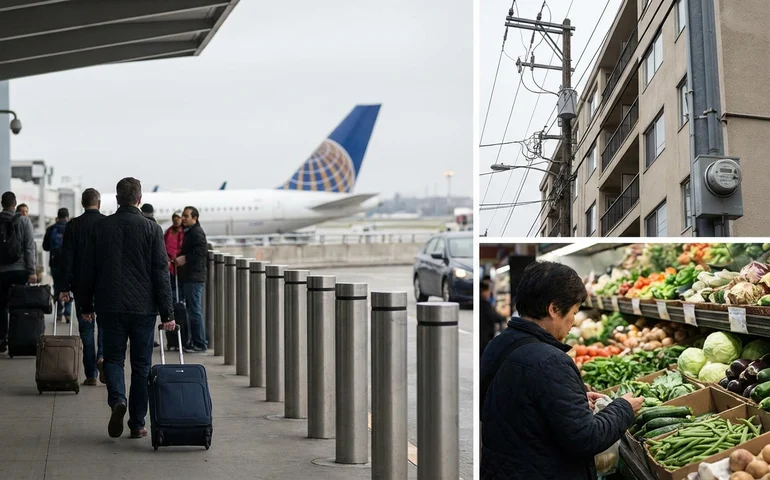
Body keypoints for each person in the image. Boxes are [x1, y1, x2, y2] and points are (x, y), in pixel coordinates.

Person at [480, 261, 643, 479]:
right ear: (554, 308)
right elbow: (586, 438)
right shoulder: (550, 361)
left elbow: (513, 407)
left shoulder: (497, 345)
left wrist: (570, 400)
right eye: (574, 312)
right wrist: (623, 408)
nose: (574, 322)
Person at [79, 177, 175, 439]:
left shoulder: (100, 228)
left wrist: (86, 305)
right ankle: (137, 423)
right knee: (142, 365)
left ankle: (117, 400)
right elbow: (161, 273)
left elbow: (87, 270)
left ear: (117, 198)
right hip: (143, 308)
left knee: (113, 359)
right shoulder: (152, 229)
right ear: (139, 199)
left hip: (109, 306)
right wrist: (167, 313)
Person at [57, 189, 106, 386]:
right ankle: (103, 357)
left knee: (86, 330)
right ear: (99, 204)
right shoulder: (106, 223)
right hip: (104, 284)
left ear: (82, 204)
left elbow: (66, 258)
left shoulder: (73, 225)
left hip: (81, 284)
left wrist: (63, 287)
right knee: (104, 326)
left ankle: (91, 374)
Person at [0, 192, 36, 353]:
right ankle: (18, 341)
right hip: (20, 271)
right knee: (19, 307)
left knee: (1, 306)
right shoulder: (24, 221)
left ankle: (1, 340)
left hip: (1, 272)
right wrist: (32, 271)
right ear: (15, 204)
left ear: (2, 203)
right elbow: (29, 248)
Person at [175, 206, 207, 352]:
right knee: (191, 310)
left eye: (186, 216)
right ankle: (195, 341)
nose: (183, 218)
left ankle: (200, 343)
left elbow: (201, 252)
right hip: (189, 276)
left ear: (195, 218)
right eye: (183, 215)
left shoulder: (197, 233)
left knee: (195, 311)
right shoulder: (189, 232)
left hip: (194, 277)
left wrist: (185, 258)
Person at [43, 208, 71, 323]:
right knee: (69, 287)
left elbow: (45, 247)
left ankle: (59, 313)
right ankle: (68, 313)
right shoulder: (71, 228)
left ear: (58, 217)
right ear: (67, 217)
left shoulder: (51, 229)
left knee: (57, 287)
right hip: (69, 264)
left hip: (55, 263)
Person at [479, 279, 507, 356]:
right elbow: (493, 315)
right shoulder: (484, 304)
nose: (488, 294)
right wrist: (503, 318)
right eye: (487, 292)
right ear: (483, 292)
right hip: (484, 337)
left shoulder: (484, 303)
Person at [164, 211, 185, 303]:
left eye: (178, 218)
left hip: (180, 264)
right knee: (172, 286)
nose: (176, 221)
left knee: (180, 287)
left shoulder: (184, 232)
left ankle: (180, 304)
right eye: (174, 219)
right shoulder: (169, 231)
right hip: (170, 264)